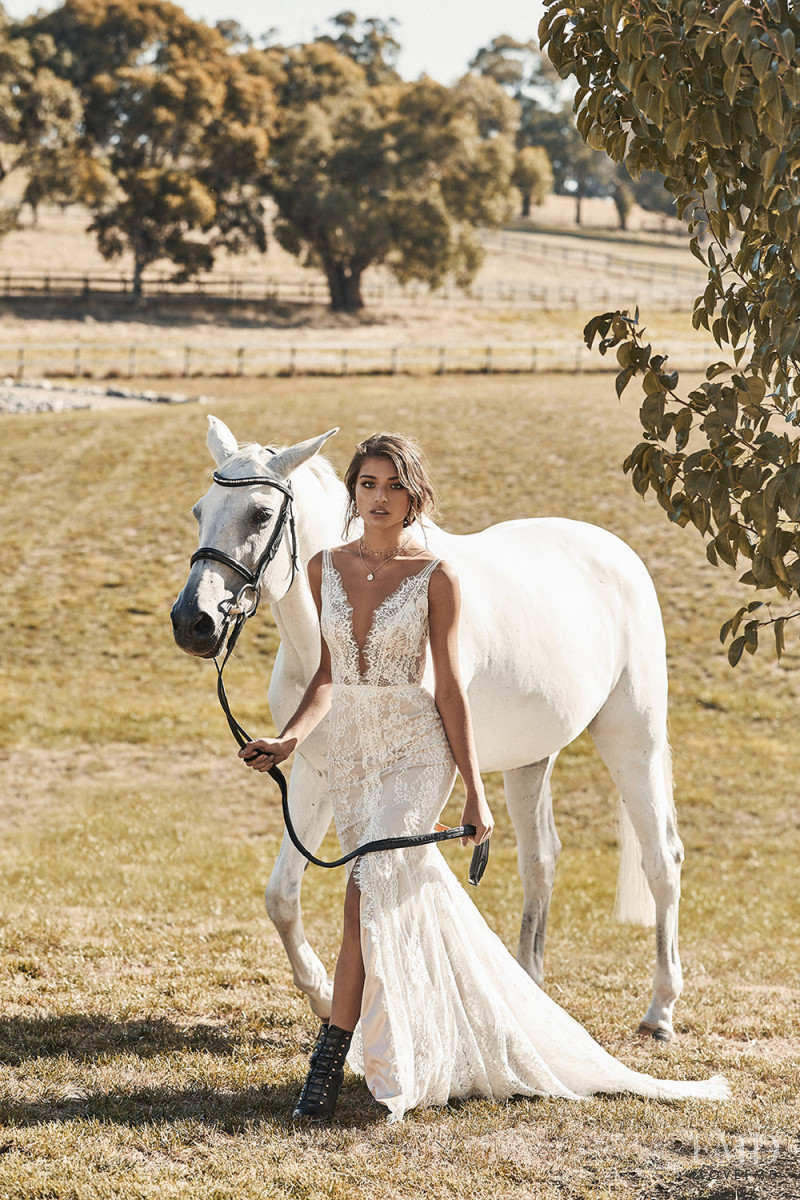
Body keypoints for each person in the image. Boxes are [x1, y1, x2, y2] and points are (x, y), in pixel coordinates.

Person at [240, 433, 729, 1123]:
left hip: (416, 753)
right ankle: (438, 1036)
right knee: (387, 903)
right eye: (368, 485)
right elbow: (326, 676)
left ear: (413, 497)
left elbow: (451, 695)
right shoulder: (325, 568)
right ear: (352, 491)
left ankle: (326, 1066)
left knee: (362, 895)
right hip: (355, 755)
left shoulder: (437, 576)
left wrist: (474, 788)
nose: (379, 499)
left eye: (392, 487)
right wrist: (289, 739)